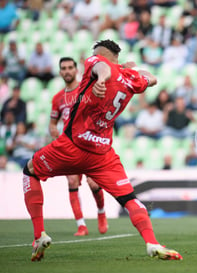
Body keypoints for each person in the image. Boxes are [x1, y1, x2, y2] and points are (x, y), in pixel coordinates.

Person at [23, 40, 182, 261]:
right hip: (102, 154)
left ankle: (39, 234)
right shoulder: (130, 79)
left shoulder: (97, 62)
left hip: (72, 146)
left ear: (100, 54)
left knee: (30, 171)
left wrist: (104, 77)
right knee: (129, 199)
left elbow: (102, 68)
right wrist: (128, 70)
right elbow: (152, 78)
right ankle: (151, 242)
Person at [49, 57, 108, 236]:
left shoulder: (85, 91)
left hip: (88, 144)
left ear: (76, 70)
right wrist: (56, 134)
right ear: (60, 72)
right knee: (72, 181)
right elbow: (53, 123)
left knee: (94, 183)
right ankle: (81, 225)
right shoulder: (58, 98)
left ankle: (101, 212)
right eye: (63, 68)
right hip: (69, 146)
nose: (67, 71)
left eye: (70, 67)